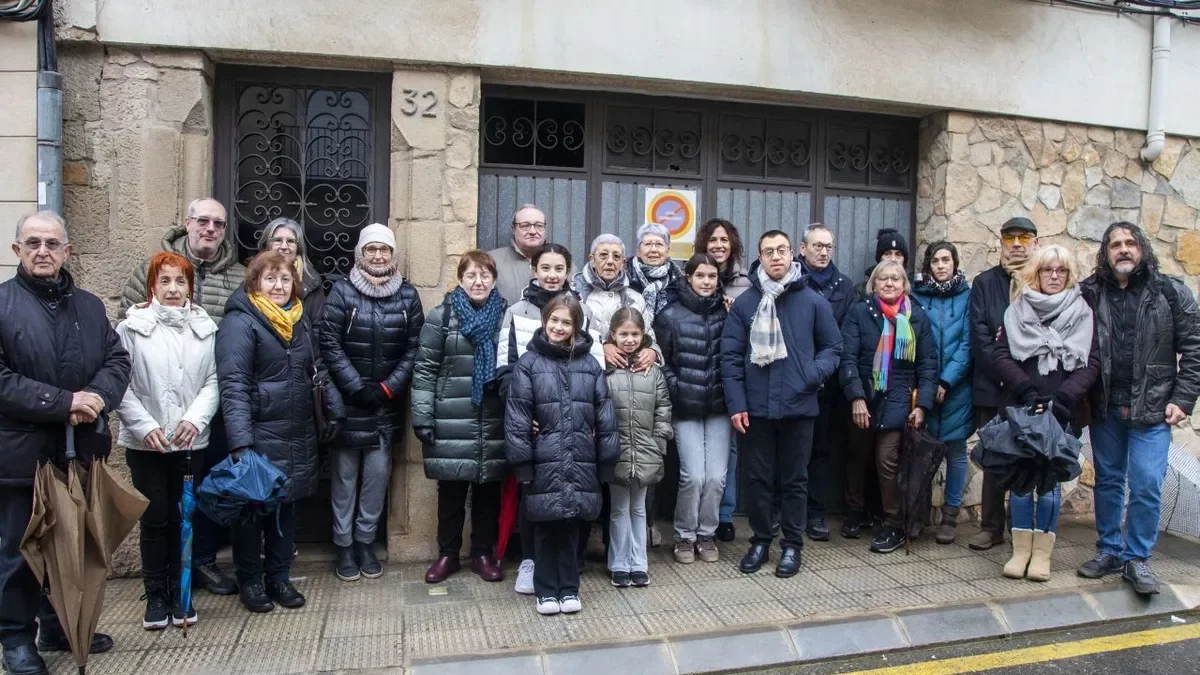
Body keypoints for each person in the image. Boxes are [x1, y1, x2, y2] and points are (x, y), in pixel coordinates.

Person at [0, 212, 130, 675]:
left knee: (70, 546)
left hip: (79, 451)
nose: (43, 251)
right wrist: (62, 402)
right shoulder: (2, 304)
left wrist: (95, 397)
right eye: (32, 243)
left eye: (52, 244)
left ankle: (61, 625)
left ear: (67, 251)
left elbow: (117, 359)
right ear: (17, 250)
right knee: (20, 552)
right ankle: (16, 638)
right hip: (21, 456)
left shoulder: (90, 307)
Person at [120, 197, 246, 597]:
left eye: (218, 224)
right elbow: (127, 340)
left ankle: (199, 564)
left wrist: (203, 411)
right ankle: (162, 581)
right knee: (159, 509)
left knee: (203, 494)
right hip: (155, 414)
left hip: (209, 407)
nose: (210, 229)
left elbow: (229, 345)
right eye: (203, 221)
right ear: (187, 223)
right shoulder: (151, 268)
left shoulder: (237, 275)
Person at [217, 251, 344, 614]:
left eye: (285, 279)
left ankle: (279, 576)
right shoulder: (241, 323)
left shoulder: (299, 319)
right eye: (270, 279)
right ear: (256, 282)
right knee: (252, 512)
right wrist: (241, 443)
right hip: (258, 433)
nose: (278, 286)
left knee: (286, 510)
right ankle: (251, 579)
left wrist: (332, 406)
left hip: (297, 430)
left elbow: (316, 367)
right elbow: (234, 385)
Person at [1077, 222, 1200, 596]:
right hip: (1106, 407)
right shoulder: (1089, 293)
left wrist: (1183, 398)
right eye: (1115, 244)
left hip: (1153, 408)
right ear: (1105, 252)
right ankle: (1110, 550)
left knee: (1146, 483)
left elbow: (1194, 348)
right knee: (1109, 481)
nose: (1123, 249)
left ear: (1142, 248)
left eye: (1130, 243)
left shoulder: (1170, 292)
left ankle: (1137, 558)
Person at [721, 230, 842, 578]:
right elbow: (730, 358)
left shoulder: (813, 301)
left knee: (794, 480)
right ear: (760, 257)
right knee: (758, 479)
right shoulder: (745, 304)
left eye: (782, 250)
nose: (776, 257)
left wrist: (810, 374)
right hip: (756, 409)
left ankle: (792, 545)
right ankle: (760, 540)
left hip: (799, 406)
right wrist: (736, 404)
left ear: (793, 254)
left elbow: (833, 348)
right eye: (768, 251)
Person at [116, 252, 219, 631]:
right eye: (165, 281)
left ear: (191, 287)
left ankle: (181, 591)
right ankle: (156, 592)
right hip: (149, 443)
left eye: (180, 281)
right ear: (152, 286)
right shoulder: (131, 329)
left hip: (191, 442)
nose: (173, 289)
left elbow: (213, 380)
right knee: (155, 517)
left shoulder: (205, 328)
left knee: (184, 516)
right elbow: (120, 382)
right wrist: (144, 426)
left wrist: (195, 418)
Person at [495, 243, 603, 595]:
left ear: (568, 273)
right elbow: (506, 368)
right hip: (534, 426)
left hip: (570, 427)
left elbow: (594, 368)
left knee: (573, 496)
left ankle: (569, 566)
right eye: (546, 267)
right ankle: (531, 561)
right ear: (534, 269)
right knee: (533, 498)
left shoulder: (580, 309)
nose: (552, 274)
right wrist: (528, 420)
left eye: (559, 268)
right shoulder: (517, 311)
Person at [320, 224, 424, 582]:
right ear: (359, 254)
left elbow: (415, 348)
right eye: (371, 250)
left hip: (384, 406)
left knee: (377, 479)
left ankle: (366, 541)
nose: (378, 256)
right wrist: (356, 386)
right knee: (345, 479)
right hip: (349, 405)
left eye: (384, 250)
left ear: (394, 255)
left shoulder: (408, 296)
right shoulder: (342, 293)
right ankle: (344, 545)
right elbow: (328, 342)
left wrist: (388, 388)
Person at [505, 294, 618, 616]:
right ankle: (545, 590)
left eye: (565, 322)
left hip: (581, 459)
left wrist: (606, 461)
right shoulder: (528, 364)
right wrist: (523, 465)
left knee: (572, 529)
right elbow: (517, 417)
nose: (558, 326)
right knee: (544, 528)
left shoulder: (589, 365)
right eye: (554, 320)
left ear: (575, 327)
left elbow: (605, 417)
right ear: (545, 321)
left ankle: (569, 588)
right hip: (543, 461)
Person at [993, 245, 1099, 582]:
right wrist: (1025, 388)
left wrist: (1065, 396)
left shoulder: (1083, 312)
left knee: (1050, 483)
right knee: (1023, 481)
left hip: (1063, 410)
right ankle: (1020, 550)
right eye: (1047, 270)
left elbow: (1091, 362)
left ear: (1069, 275)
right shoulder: (1017, 310)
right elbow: (1001, 355)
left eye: (1061, 271)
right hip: (1024, 406)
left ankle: (1042, 555)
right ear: (1035, 273)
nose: (1054, 276)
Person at [411, 250, 508, 584]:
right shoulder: (441, 317)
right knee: (451, 492)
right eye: (471, 276)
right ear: (461, 279)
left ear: (494, 280)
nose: (478, 282)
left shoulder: (505, 317)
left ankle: (482, 553)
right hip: (451, 417)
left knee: (487, 494)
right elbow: (424, 370)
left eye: (485, 276)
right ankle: (447, 555)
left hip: (494, 418)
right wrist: (422, 416)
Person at [839, 260, 938, 554]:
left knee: (887, 461)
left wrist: (922, 405)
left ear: (904, 284)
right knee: (857, 455)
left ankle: (894, 524)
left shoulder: (917, 317)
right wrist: (856, 397)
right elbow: (848, 358)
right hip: (866, 395)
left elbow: (928, 366)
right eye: (884, 279)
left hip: (899, 396)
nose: (890, 283)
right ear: (875, 284)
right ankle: (855, 512)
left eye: (896, 278)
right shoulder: (860, 313)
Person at [967, 217, 1038, 551]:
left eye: (1024, 238)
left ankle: (1021, 526)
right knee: (995, 456)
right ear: (1001, 243)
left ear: (1035, 243)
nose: (1017, 245)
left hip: (1032, 387)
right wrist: (1005, 371)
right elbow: (981, 338)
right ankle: (991, 526)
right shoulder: (984, 283)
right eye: (1010, 238)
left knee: (1027, 457)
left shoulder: (1043, 280)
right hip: (993, 386)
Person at [655, 254, 730, 564]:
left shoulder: (727, 314)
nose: (707, 282)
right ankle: (684, 536)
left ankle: (706, 533)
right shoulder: (670, 315)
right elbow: (663, 361)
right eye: (701, 276)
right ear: (688, 277)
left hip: (718, 407)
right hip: (685, 407)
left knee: (716, 477)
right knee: (693, 476)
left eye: (712, 276)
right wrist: (677, 388)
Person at [911, 241, 974, 545]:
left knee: (956, 452)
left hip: (956, 388)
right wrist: (927, 383)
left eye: (946, 260)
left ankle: (950, 515)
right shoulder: (917, 296)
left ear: (954, 263)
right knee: (920, 452)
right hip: (923, 385)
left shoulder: (966, 296)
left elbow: (966, 343)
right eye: (935, 260)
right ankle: (916, 514)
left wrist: (946, 381)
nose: (940, 265)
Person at [604, 308, 672, 588]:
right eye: (624, 334)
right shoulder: (605, 369)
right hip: (616, 451)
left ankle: (638, 562)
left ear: (644, 336)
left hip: (645, 451)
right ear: (613, 336)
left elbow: (663, 409)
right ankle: (619, 562)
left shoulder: (653, 372)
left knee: (639, 508)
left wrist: (658, 443)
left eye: (635, 334)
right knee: (619, 508)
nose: (629, 339)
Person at [797, 223, 856, 542]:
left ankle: (815, 513)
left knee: (820, 452)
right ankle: (783, 509)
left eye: (828, 246)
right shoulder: (791, 281)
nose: (823, 251)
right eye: (817, 246)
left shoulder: (844, 286)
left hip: (828, 385)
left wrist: (823, 370)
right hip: (794, 382)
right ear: (802, 248)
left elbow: (843, 336)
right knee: (790, 451)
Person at [693, 219, 750, 543]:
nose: (718, 245)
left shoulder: (745, 283)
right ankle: (699, 516)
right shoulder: (691, 277)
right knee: (696, 461)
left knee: (729, 449)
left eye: (724, 240)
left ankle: (724, 515)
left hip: (734, 376)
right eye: (713, 239)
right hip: (701, 374)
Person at [573, 234, 658, 371]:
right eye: (603, 255)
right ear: (592, 260)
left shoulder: (635, 298)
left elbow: (649, 336)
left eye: (616, 257)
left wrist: (653, 352)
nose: (610, 261)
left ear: (623, 264)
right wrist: (600, 348)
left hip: (625, 374)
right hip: (585, 372)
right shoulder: (576, 296)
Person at [257, 217, 326, 325]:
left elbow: (317, 328)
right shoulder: (254, 275)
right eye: (278, 240)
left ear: (298, 247)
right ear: (267, 244)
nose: (284, 246)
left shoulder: (312, 282)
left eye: (290, 241)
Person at [490, 204, 548, 305]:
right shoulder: (492, 261)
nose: (533, 231)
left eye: (539, 226)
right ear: (514, 229)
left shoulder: (561, 261)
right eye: (525, 226)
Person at [627, 222, 682, 321]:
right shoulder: (625, 278)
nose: (653, 250)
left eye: (659, 244)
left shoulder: (679, 282)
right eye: (647, 244)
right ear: (638, 251)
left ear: (667, 250)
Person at [856, 228, 909, 296]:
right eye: (887, 254)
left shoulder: (914, 290)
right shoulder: (860, 292)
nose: (893, 259)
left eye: (898, 254)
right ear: (879, 258)